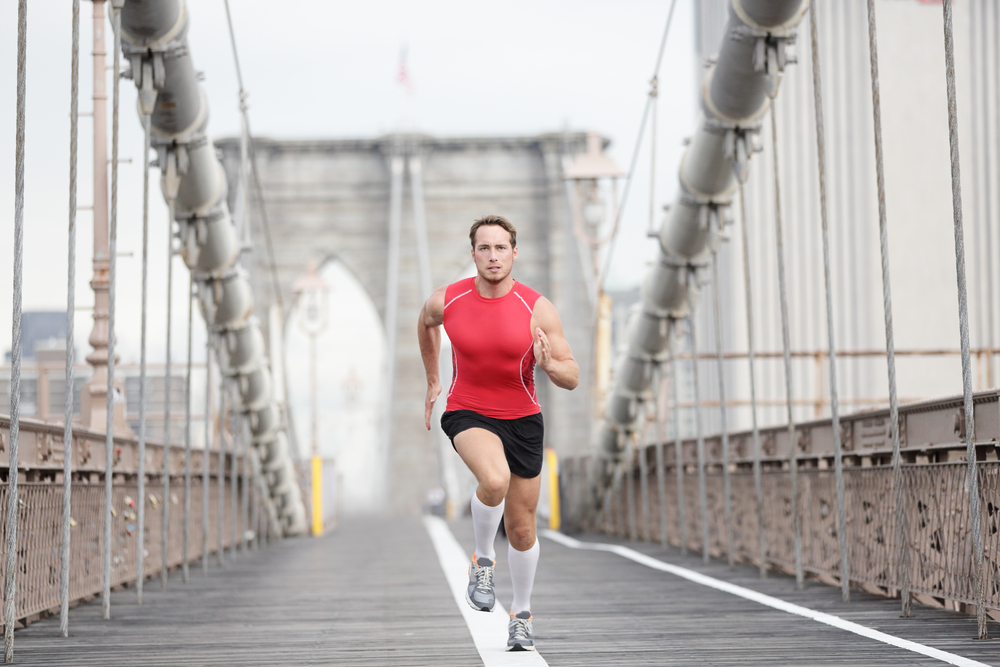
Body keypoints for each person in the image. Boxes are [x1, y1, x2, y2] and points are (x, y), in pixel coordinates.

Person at [417, 214, 579, 652]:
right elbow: (425, 322)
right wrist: (434, 378)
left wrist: (548, 366)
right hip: (468, 411)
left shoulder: (536, 308)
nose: (493, 256)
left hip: (523, 419)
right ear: (472, 254)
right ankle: (483, 561)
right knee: (493, 480)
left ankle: (521, 616)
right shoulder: (447, 300)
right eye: (484, 248)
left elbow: (572, 376)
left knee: (523, 530)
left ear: (514, 253)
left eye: (501, 248)